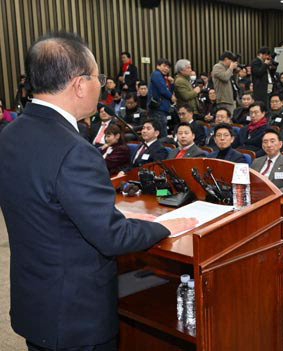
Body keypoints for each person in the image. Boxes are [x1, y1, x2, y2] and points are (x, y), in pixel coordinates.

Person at [0, 31, 197, 351]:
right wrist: (163, 226)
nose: (102, 85)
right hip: (77, 317)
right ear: (79, 84)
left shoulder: (10, 134)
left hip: (35, 303)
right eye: (98, 77)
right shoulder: (74, 150)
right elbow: (111, 236)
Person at [250, 128, 283, 196]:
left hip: (273, 198)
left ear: (280, 144)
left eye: (272, 141)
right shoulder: (256, 162)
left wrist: (274, 193)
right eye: (265, 142)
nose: (269, 145)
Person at [148, 58, 175, 137]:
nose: (166, 68)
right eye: (164, 66)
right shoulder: (156, 74)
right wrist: (171, 97)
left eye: (168, 67)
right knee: (161, 133)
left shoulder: (164, 78)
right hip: (158, 108)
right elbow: (163, 90)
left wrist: (172, 83)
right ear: (158, 66)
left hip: (163, 108)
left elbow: (168, 90)